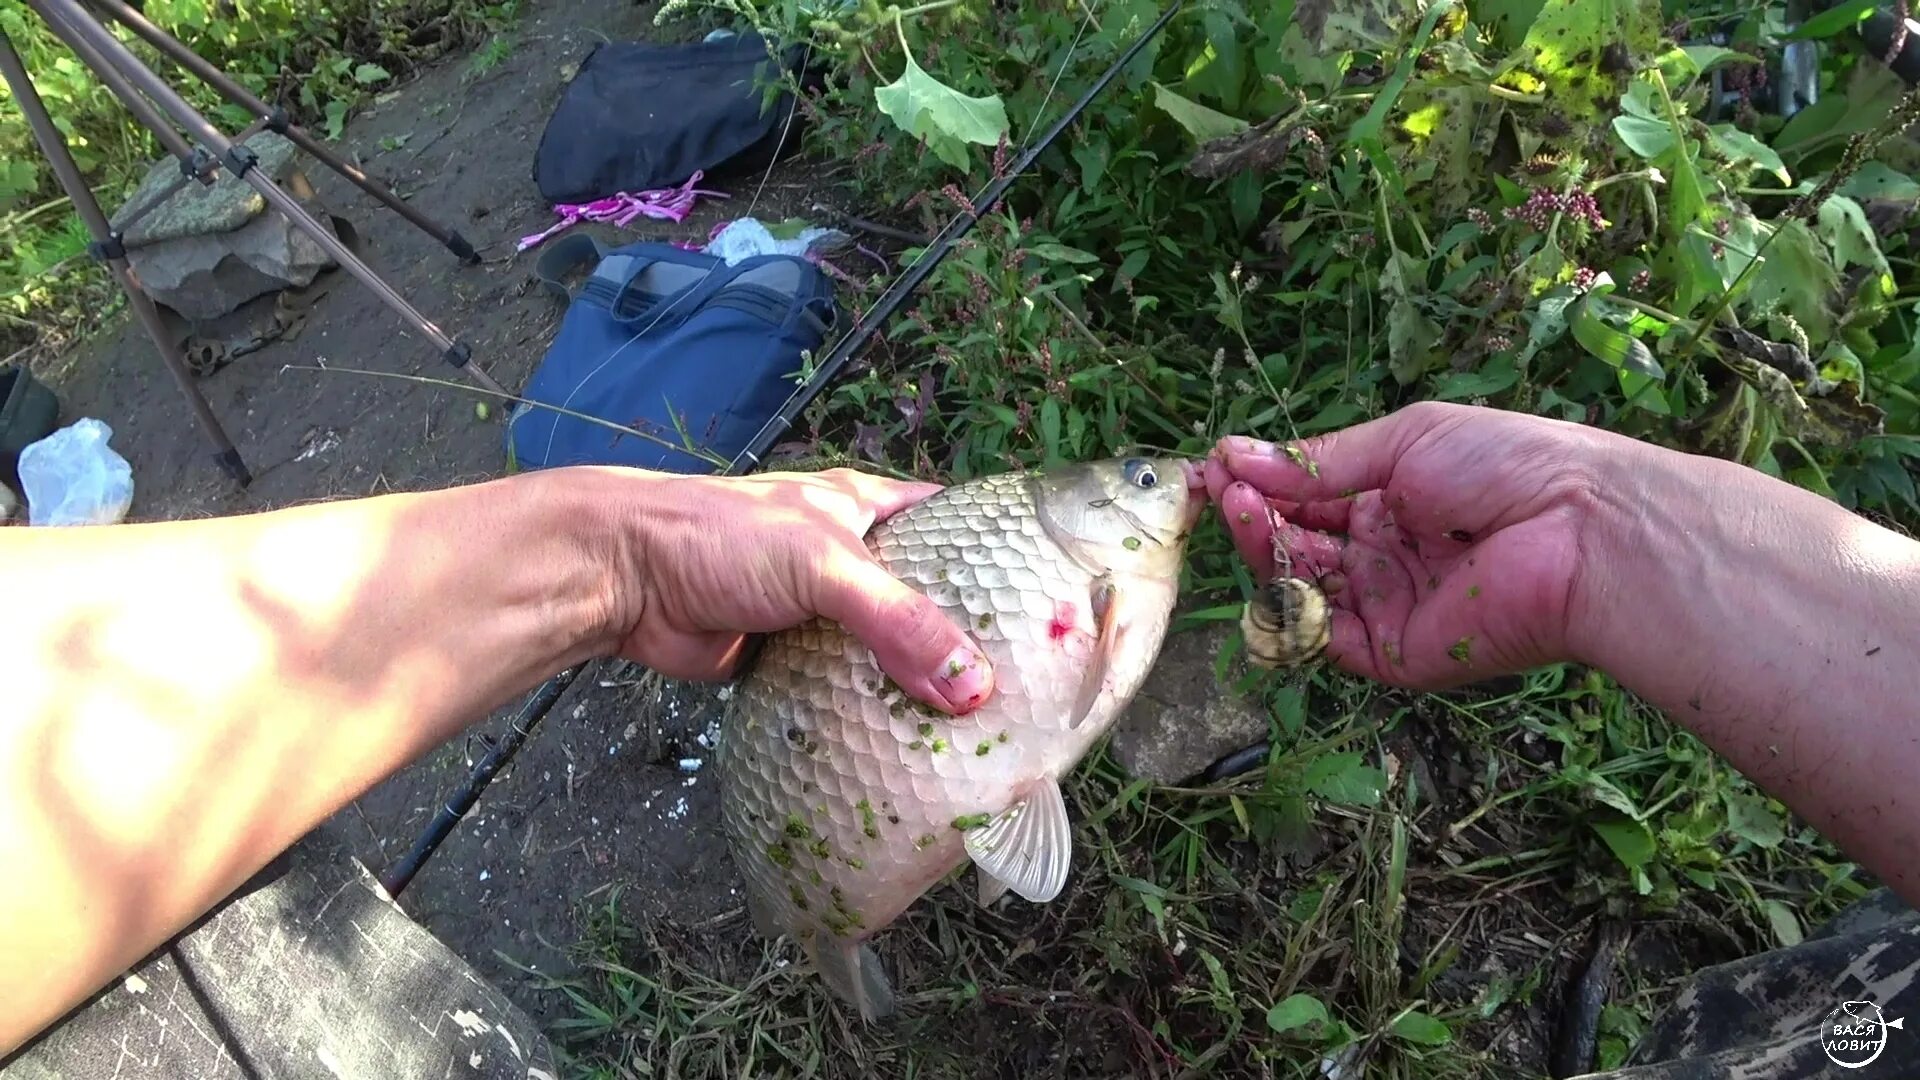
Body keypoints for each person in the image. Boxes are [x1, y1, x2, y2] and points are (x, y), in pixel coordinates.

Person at [0, 402, 1915, 1075]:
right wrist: (1613, 530)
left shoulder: (1096, 564)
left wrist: (595, 555)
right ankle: (841, 922)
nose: (1170, 484)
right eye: (1150, 476)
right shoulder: (1075, 556)